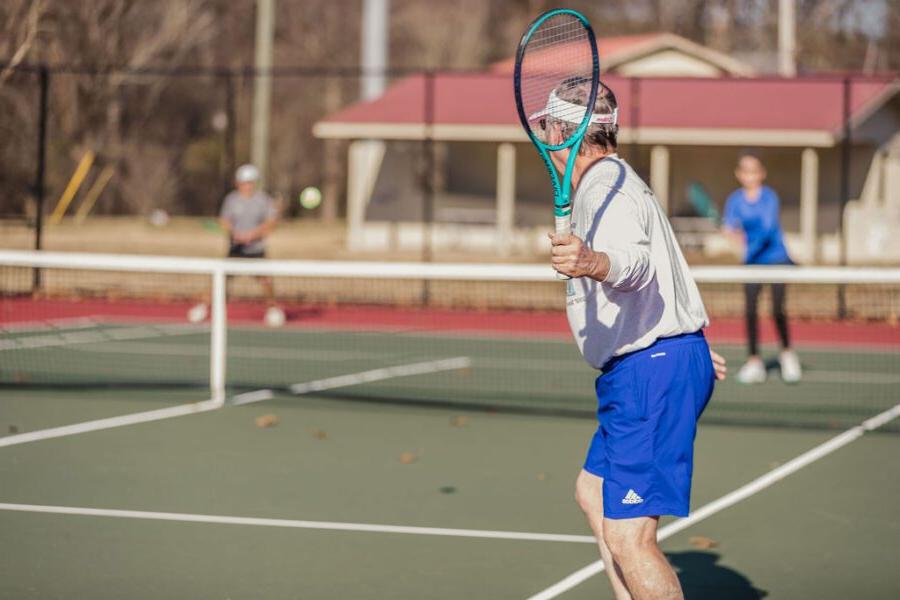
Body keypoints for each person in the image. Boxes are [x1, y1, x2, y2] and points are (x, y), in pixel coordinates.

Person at [539, 78, 727, 600]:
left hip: (651, 368)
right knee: (593, 493)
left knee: (629, 535)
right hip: (655, 361)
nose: (543, 139)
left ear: (563, 132)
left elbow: (637, 266)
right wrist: (682, 344)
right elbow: (660, 270)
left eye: (546, 128)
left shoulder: (606, 186)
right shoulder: (613, 182)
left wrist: (590, 261)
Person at [722, 152, 801, 384]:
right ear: (739, 175)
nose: (750, 175)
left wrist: (744, 240)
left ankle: (787, 354)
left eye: (754, 170)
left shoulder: (770, 197)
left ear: (762, 173)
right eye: (745, 171)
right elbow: (730, 226)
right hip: (751, 264)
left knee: (777, 309)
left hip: (776, 260)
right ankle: (754, 361)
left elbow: (767, 230)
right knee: (750, 311)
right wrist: (730, 233)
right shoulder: (734, 200)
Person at [188, 164, 284, 326]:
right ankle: (203, 308)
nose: (246, 185)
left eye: (249, 182)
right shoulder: (231, 200)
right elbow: (223, 221)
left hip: (256, 250)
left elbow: (271, 223)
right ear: (238, 183)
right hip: (235, 249)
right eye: (243, 182)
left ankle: (273, 310)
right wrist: (235, 233)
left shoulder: (263, 200)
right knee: (219, 280)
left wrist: (253, 235)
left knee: (266, 281)